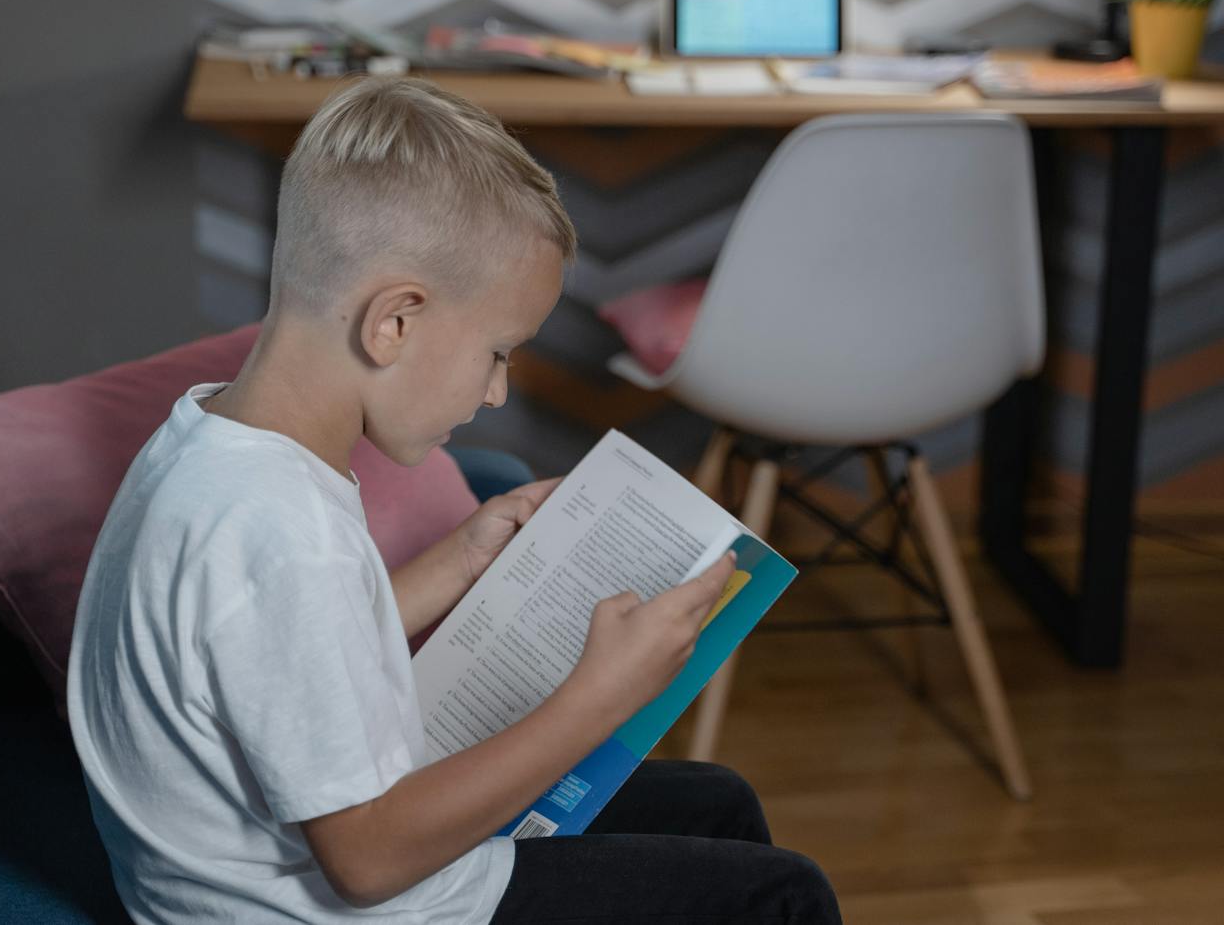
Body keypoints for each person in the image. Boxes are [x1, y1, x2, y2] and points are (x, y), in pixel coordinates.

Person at [67, 76, 841, 924]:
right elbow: (365, 859)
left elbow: (268, 657)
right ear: (394, 320)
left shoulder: (212, 443)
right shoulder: (280, 527)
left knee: (719, 802)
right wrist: (599, 698)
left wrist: (461, 559)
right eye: (499, 352)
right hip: (345, 905)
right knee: (785, 896)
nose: (499, 391)